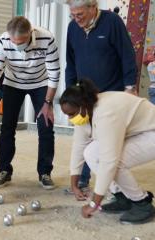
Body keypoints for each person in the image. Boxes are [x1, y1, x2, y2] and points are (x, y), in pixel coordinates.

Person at [60, 79, 155, 224]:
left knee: (115, 162)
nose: (70, 119)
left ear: (83, 106)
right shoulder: (85, 112)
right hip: (137, 132)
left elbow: (109, 161)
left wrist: (94, 204)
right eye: (68, 115)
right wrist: (74, 185)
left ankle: (142, 203)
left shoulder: (106, 112)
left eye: (71, 114)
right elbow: (78, 147)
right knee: (90, 153)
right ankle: (123, 197)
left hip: (151, 132)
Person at [65, 0, 137, 191]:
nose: (75, 19)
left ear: (92, 7)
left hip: (112, 95)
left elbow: (127, 55)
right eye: (72, 15)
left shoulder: (112, 22)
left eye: (79, 14)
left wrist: (130, 87)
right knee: (82, 137)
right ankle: (81, 179)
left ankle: (116, 189)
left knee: (107, 145)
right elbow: (70, 63)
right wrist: (70, 93)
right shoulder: (72, 27)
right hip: (84, 96)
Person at [0, 16, 60, 190]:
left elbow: (54, 73)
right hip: (13, 83)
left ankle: (45, 172)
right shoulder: (3, 40)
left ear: (30, 33)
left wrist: (47, 103)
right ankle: (4, 171)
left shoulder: (46, 38)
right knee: (7, 127)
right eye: (14, 41)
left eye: (22, 41)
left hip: (40, 83)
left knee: (46, 126)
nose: (18, 45)